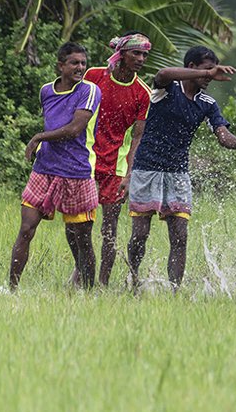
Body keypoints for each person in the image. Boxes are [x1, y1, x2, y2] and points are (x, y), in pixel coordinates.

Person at [125, 46, 236, 290]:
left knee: (180, 236)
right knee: (140, 234)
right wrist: (202, 73)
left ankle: (175, 290)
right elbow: (162, 73)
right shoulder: (166, 90)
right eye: (206, 70)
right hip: (147, 169)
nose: (210, 76)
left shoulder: (207, 103)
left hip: (178, 173)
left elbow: (222, 135)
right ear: (191, 68)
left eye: (213, 71)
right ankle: (133, 277)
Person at [10, 42, 102, 290]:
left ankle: (88, 294)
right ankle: (11, 290)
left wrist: (39, 137)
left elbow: (74, 129)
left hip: (77, 173)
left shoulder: (90, 91)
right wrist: (43, 141)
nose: (80, 67)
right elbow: (54, 121)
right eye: (74, 63)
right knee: (27, 229)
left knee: (81, 241)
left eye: (83, 63)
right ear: (60, 65)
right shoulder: (46, 91)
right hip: (44, 170)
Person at [75, 32, 152, 286]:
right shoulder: (94, 76)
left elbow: (137, 139)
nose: (141, 59)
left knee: (110, 230)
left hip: (117, 167)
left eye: (144, 55)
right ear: (122, 54)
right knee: (80, 226)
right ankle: (80, 277)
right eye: (136, 53)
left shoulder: (142, 93)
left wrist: (130, 176)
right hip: (86, 160)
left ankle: (102, 284)